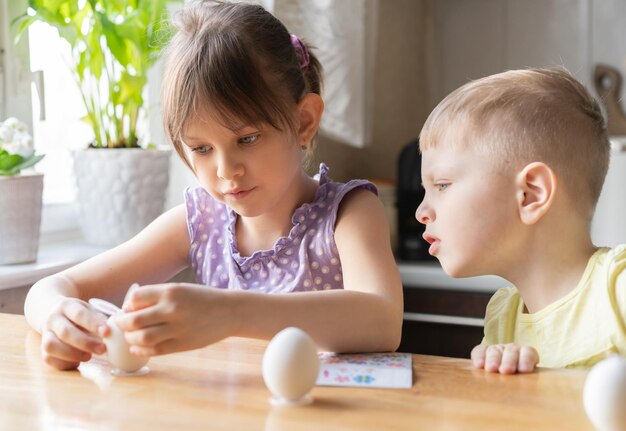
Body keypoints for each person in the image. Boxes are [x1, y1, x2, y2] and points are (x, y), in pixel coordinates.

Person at [25, 0, 403, 371]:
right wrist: (60, 318)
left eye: (248, 139)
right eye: (201, 149)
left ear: (303, 121)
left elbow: (382, 322)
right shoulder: (198, 224)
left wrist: (230, 313)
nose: (226, 171)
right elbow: (52, 289)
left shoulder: (349, 213)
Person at [415, 67, 625, 373]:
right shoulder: (503, 316)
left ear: (530, 194)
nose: (422, 212)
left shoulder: (617, 288)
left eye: (442, 185)